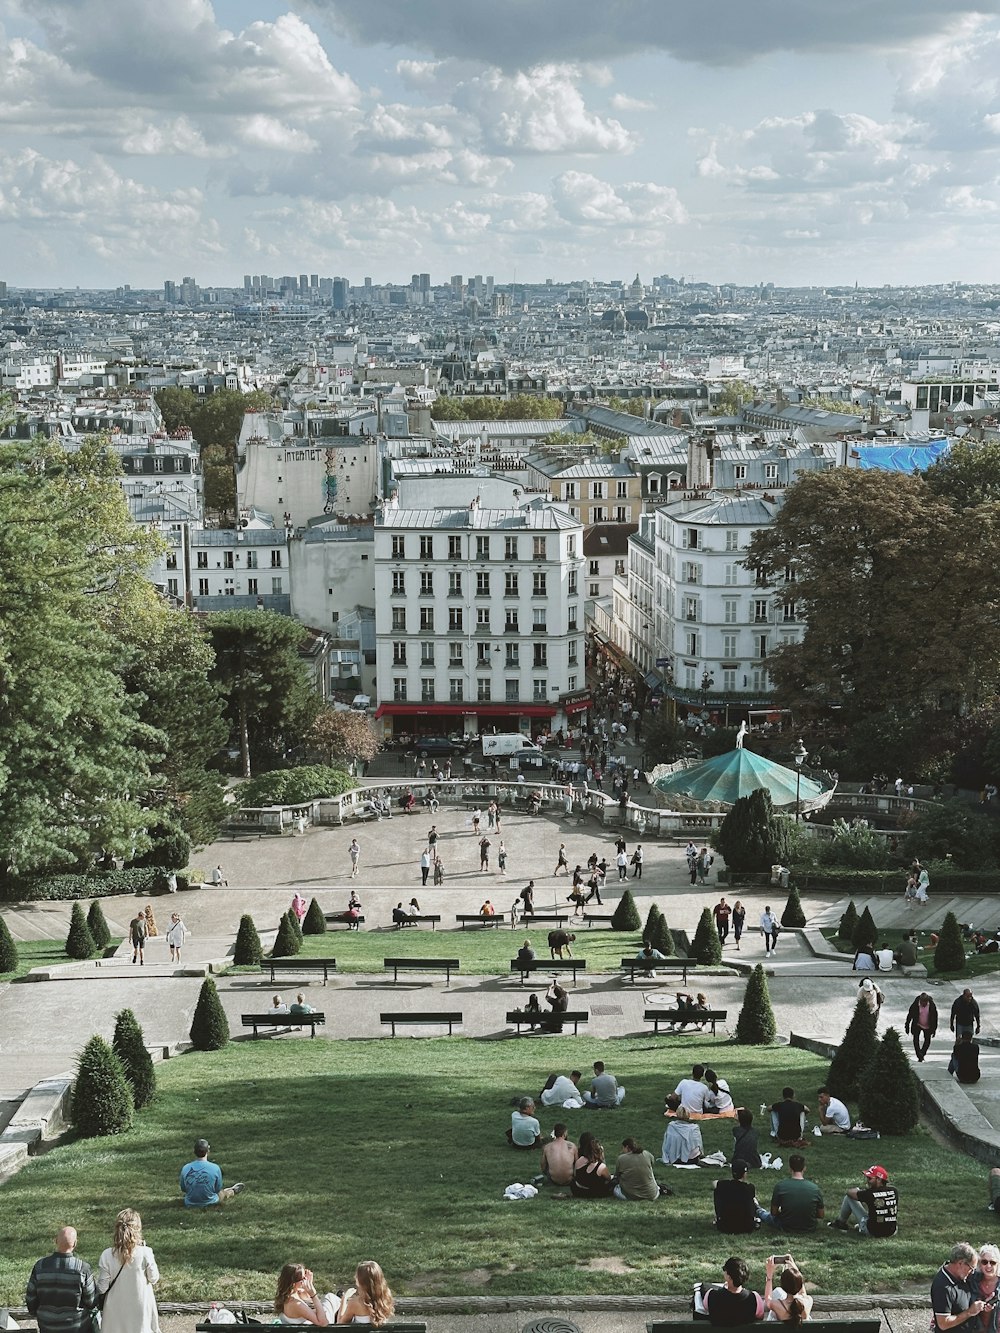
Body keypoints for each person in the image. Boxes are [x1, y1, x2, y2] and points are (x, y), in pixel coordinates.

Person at [25, 1226, 98, 1333]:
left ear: (55, 1241)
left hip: (47, 1326)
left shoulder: (40, 1266)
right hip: (76, 1326)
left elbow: (31, 1299)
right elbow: (91, 1301)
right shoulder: (83, 1268)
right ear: (75, 1243)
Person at [97, 1208, 159, 1333]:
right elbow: (154, 1278)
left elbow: (102, 1288)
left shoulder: (107, 1254)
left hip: (115, 1311)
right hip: (140, 1307)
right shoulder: (145, 1252)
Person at [828, 1164, 898, 1237]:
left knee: (848, 1198)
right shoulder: (894, 1191)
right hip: (891, 1231)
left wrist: (859, 1190)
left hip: (872, 1232)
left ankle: (840, 1223)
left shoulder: (869, 1193)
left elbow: (849, 1192)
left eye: (870, 1178)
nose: (867, 1181)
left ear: (879, 1180)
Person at [760, 1155, 824, 1232]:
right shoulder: (815, 1188)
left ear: (790, 1169)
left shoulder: (780, 1186)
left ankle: (758, 1210)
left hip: (786, 1226)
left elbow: (773, 1212)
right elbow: (821, 1215)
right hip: (809, 1227)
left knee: (766, 1216)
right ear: (804, 1168)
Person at [931, 1243, 983, 1331]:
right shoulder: (943, 1287)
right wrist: (969, 1312)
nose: (972, 1272)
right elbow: (943, 1323)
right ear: (960, 1263)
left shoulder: (960, 1275)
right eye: (971, 1268)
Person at [700, 1256, 766, 1325]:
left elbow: (705, 1308)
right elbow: (760, 1316)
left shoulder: (711, 1295)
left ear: (729, 1277)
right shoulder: (754, 1298)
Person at [179, 1138, 244, 1206]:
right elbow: (217, 1189)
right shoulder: (215, 1168)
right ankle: (231, 1191)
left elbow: (183, 1188)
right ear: (208, 1151)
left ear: (194, 1151)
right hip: (210, 1202)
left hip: (190, 1202)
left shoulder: (185, 1168)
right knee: (222, 1193)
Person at [336, 1261, 394, 1327]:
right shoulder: (386, 1298)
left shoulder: (356, 1303)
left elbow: (340, 1324)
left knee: (330, 1300)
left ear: (361, 1281)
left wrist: (344, 1298)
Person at [715, 1160, 761, 1234]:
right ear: (744, 1174)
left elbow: (715, 1183)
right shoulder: (749, 1188)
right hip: (746, 1227)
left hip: (724, 1226)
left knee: (717, 1192)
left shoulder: (722, 1185)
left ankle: (720, 1216)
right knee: (753, 1200)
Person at [763, 1255, 812, 1324]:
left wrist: (769, 1275)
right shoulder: (809, 1301)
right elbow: (803, 1294)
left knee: (772, 1314)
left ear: (783, 1286)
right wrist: (796, 1270)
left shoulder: (777, 1305)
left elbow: (768, 1299)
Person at [571, 1133, 615, 1198]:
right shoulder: (601, 1167)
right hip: (595, 1192)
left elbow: (575, 1175)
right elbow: (608, 1178)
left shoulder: (579, 1161)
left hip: (579, 1191)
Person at [972, 1246, 1000, 1331]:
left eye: (992, 1262)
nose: (988, 1266)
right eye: (984, 1262)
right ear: (979, 1264)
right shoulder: (972, 1281)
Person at [906, 992, 939, 1062]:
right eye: (922, 1002)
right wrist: (907, 1026)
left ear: (927, 1001)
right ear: (920, 1001)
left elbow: (935, 1018)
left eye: (925, 1003)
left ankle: (922, 1053)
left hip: (928, 1026)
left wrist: (934, 1029)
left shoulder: (932, 1006)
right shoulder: (915, 1005)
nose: (923, 1004)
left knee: (927, 1040)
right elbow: (910, 1015)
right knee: (915, 1040)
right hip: (917, 1024)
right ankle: (919, 1055)